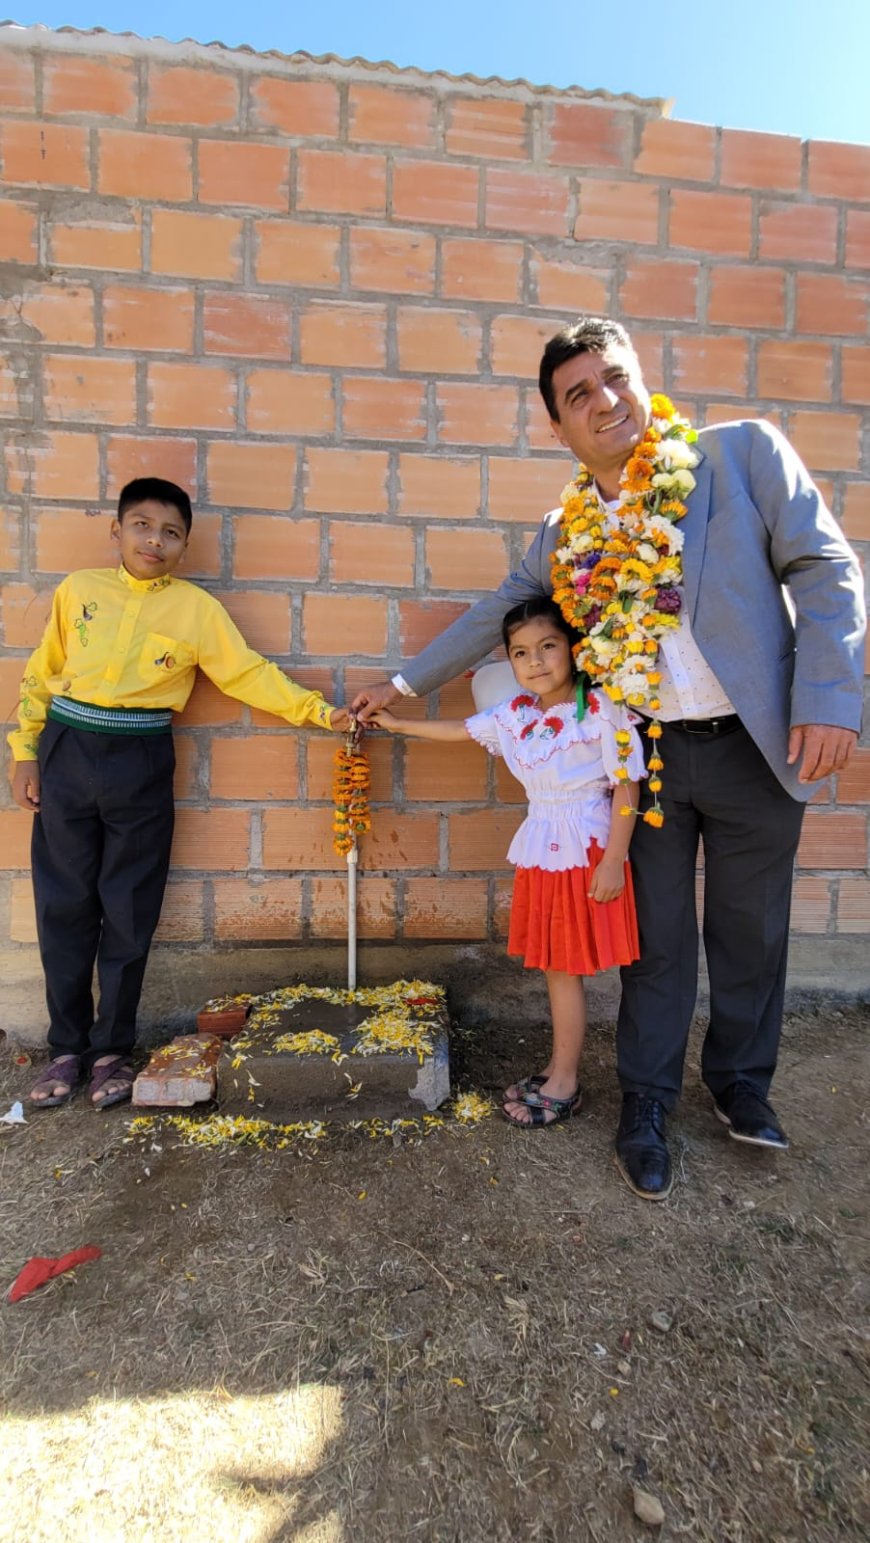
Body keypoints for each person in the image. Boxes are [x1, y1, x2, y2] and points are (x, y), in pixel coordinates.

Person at [353, 316, 865, 1200]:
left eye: (614, 377)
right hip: (646, 762)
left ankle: (741, 1086)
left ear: (642, 379)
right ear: (557, 427)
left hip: (755, 746)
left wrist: (829, 696)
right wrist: (401, 684)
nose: (605, 400)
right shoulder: (565, 532)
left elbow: (824, 568)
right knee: (655, 942)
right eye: (578, 393)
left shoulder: (740, 456)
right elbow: (493, 613)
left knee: (751, 932)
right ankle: (648, 1104)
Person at [8, 477, 348, 1111]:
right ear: (117, 530)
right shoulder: (78, 591)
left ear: (185, 545)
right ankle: (65, 1047)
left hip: (140, 760)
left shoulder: (195, 610)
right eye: (141, 525)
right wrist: (25, 750)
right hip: (67, 749)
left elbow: (246, 672)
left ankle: (112, 1049)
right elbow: (42, 670)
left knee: (130, 910)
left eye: (170, 532)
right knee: (63, 906)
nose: (154, 540)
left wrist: (318, 713)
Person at [373, 596, 644, 1127]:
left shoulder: (601, 707)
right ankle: (558, 1066)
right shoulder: (516, 715)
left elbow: (627, 787)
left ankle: (565, 1081)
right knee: (553, 965)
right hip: (542, 847)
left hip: (583, 850)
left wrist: (615, 859)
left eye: (548, 647)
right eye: (521, 653)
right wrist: (397, 726)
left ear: (572, 649)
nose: (536, 662)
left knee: (565, 968)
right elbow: (461, 729)